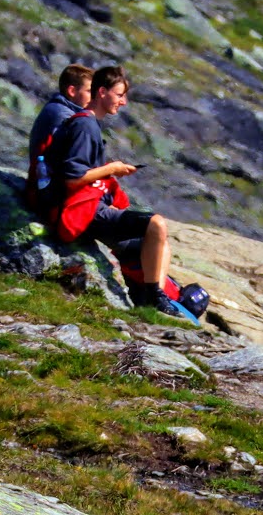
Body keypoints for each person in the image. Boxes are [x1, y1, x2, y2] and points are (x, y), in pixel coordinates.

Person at [46, 65, 199, 323]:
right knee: (156, 224)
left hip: (93, 207)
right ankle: (155, 296)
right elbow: (73, 179)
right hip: (86, 212)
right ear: (102, 92)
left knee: (160, 245)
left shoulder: (87, 123)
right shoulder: (84, 126)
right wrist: (112, 169)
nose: (123, 101)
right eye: (119, 95)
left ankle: (153, 296)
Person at [25, 62, 93, 213]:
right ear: (72, 91)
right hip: (49, 194)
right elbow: (70, 163)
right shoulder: (62, 116)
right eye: (89, 91)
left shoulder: (61, 110)